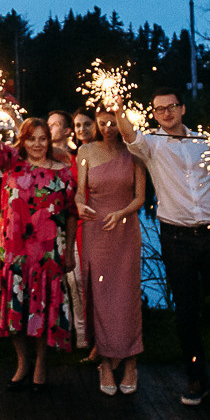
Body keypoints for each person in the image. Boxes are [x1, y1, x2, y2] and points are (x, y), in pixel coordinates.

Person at [117, 87, 210, 408]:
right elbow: (129, 135)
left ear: (182, 109)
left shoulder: (206, 143)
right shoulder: (151, 143)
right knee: (187, 312)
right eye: (159, 109)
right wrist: (118, 111)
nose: (166, 113)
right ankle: (197, 380)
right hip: (176, 238)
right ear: (153, 114)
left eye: (171, 107)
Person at [0, 104, 76, 390]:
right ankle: (22, 362)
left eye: (42, 139)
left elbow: (72, 214)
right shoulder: (12, 162)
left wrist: (70, 250)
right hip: (13, 253)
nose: (37, 144)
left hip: (47, 255)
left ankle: (40, 364)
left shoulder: (63, 173)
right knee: (16, 310)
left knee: (41, 309)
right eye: (31, 138)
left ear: (49, 141)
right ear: (22, 140)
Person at [75, 109, 145, 394]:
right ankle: (105, 360)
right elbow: (81, 190)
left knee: (127, 294)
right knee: (101, 294)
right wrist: (80, 204)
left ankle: (130, 362)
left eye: (112, 121)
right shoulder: (85, 150)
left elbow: (140, 197)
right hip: (96, 228)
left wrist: (121, 213)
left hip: (125, 227)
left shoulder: (135, 151)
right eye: (101, 122)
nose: (107, 126)